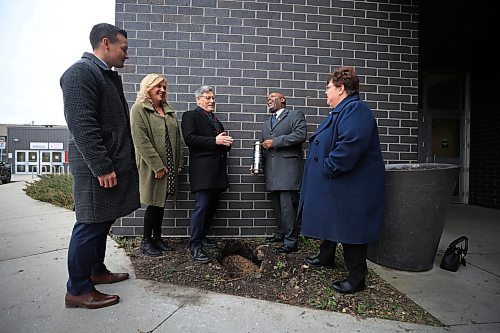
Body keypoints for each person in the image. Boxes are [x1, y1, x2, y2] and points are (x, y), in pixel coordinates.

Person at [60, 23, 140, 308]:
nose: (127, 55)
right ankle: (78, 290)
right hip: (96, 168)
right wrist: (102, 166)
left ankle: (96, 271)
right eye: (124, 48)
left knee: (102, 221)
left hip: (108, 164)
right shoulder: (80, 73)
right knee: (89, 224)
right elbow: (82, 126)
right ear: (106, 43)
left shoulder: (103, 74)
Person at [298, 66, 385, 294]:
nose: (325, 93)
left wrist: (329, 167)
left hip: (350, 188)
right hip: (337, 185)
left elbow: (350, 146)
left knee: (351, 230)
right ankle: (326, 256)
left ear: (341, 88)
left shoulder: (355, 110)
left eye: (328, 88)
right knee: (332, 220)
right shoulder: (341, 111)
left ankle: (357, 278)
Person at [130, 74, 183, 257]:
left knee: (161, 204)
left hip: (169, 165)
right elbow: (141, 141)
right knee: (153, 203)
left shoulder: (168, 110)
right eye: (157, 86)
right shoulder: (139, 109)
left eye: (164, 87)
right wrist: (157, 166)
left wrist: (179, 162)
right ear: (148, 87)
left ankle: (157, 238)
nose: (162, 90)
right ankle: (146, 241)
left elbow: (178, 138)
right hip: (153, 166)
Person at [181, 86, 233, 263]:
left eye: (213, 98)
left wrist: (226, 143)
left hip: (217, 171)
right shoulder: (190, 116)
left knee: (211, 208)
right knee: (202, 207)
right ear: (198, 100)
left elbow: (219, 142)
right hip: (203, 172)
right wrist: (215, 140)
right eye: (208, 98)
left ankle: (202, 236)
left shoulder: (216, 121)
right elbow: (190, 139)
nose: (212, 101)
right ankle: (194, 245)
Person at [260, 92, 307, 254]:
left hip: (288, 170)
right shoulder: (266, 122)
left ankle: (291, 241)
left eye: (272, 97)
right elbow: (263, 147)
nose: (268, 99)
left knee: (288, 207)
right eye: (267, 98)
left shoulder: (294, 115)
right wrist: (257, 165)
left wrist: (276, 141)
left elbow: (300, 135)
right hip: (271, 171)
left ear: (282, 100)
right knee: (277, 206)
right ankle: (280, 234)